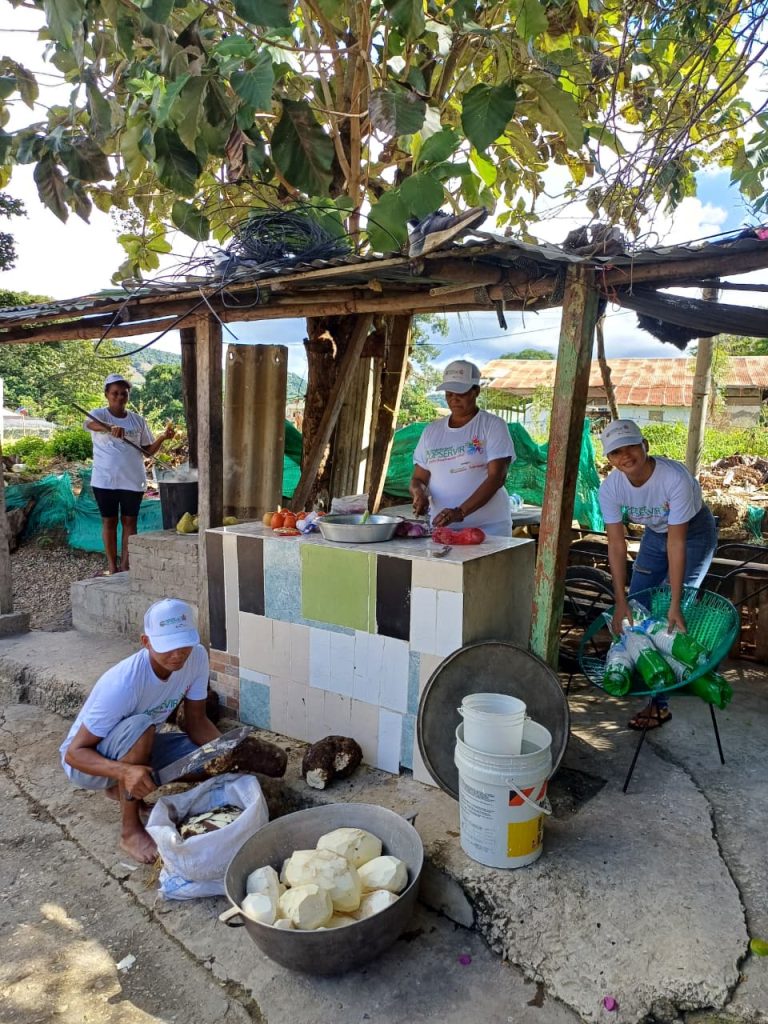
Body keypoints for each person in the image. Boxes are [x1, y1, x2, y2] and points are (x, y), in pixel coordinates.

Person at [60, 599, 221, 863]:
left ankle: (120, 790)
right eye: (168, 646)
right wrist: (125, 771)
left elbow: (196, 721)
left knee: (205, 759)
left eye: (184, 644)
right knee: (142, 726)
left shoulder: (197, 657)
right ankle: (129, 830)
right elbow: (74, 754)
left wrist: (226, 752)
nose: (178, 654)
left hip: (135, 746)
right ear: (146, 642)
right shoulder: (123, 683)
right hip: (87, 765)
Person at [598, 419, 717, 730]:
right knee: (638, 606)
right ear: (609, 459)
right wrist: (620, 600)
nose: (625, 457)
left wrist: (676, 602)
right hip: (654, 534)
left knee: (669, 614)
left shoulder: (674, 478)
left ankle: (659, 704)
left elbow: (676, 542)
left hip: (693, 534)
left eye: (630, 447)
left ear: (645, 445)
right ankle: (641, 670)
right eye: (615, 452)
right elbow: (615, 543)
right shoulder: (611, 486)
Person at [409, 360, 515, 536]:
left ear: (476, 391)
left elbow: (497, 477)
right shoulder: (431, 431)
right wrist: (418, 493)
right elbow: (418, 478)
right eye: (449, 393)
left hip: (489, 528)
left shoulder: (492, 425)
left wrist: (460, 512)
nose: (453, 399)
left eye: (460, 393)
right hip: (443, 528)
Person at [86, 373, 175, 575]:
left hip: (133, 480)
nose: (119, 397)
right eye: (115, 393)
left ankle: (126, 565)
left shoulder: (138, 421)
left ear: (128, 396)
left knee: (129, 522)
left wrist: (162, 437)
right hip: (105, 481)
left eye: (123, 393)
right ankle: (111, 566)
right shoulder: (98, 414)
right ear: (107, 394)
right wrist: (110, 428)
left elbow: (147, 451)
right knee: (109, 521)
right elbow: (90, 425)